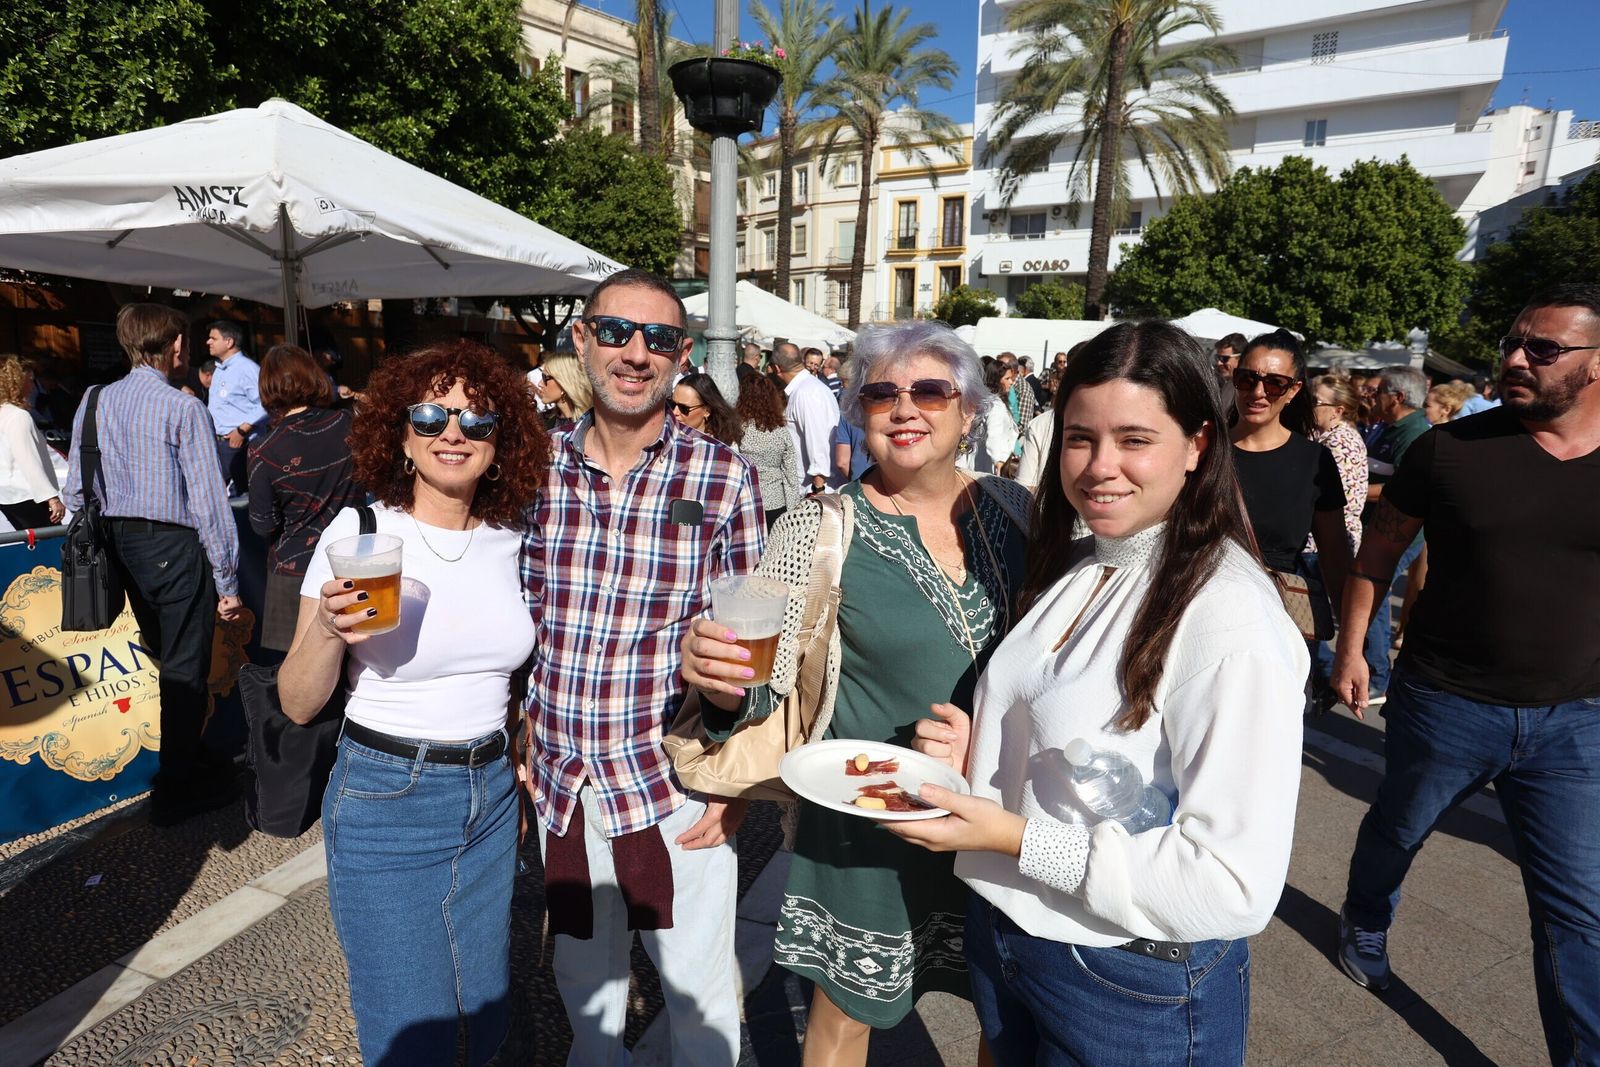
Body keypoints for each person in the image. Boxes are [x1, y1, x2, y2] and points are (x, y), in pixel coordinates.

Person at [890, 320, 1306, 1066]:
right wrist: (982, 748)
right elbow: (1087, 738)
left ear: (1199, 444)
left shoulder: (1231, 616)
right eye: (1080, 437)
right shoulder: (1088, 558)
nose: (1099, 466)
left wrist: (1011, 836)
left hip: (1127, 975)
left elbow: (1231, 881)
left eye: (1134, 439)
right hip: (1014, 931)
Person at [682, 320, 1033, 1066]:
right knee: (844, 1021)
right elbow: (762, 681)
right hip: (870, 819)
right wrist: (719, 692)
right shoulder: (821, 523)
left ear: (969, 410)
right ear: (858, 411)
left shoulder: (1017, 510)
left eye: (930, 390)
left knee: (1006, 1019)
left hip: (999, 810)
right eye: (881, 393)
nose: (905, 408)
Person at [1329, 284, 1600, 1066]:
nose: (1515, 358)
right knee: (1398, 829)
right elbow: (1380, 548)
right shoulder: (1450, 450)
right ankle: (1365, 916)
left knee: (1578, 914)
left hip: (1574, 721)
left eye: (1542, 349)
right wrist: (1353, 648)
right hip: (1446, 701)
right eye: (1514, 342)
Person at [521, 269, 766, 1066]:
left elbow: (759, 649)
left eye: (658, 338)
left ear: (682, 355)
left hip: (671, 789)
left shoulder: (724, 477)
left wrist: (737, 778)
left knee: (696, 999)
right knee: (584, 989)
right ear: (581, 341)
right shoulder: (533, 470)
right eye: (617, 332)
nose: (636, 353)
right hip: (563, 782)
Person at [280, 339, 545, 1067]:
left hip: (489, 794)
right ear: (399, 433)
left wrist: (516, 761)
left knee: (485, 998)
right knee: (408, 1019)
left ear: (502, 439)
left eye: (475, 419)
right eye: (430, 415)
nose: (452, 432)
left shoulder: (514, 538)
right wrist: (332, 631)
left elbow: (509, 678)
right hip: (385, 796)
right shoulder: (361, 533)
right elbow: (298, 702)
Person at [62, 304, 242, 823]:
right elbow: (209, 502)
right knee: (184, 667)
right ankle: (176, 785)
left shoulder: (94, 399)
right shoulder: (183, 408)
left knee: (169, 657)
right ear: (176, 347)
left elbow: (76, 488)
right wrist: (227, 580)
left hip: (119, 545)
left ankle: (187, 756)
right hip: (172, 544)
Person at [1229, 332, 1352, 711]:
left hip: (1273, 625)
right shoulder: (1202, 449)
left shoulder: (1315, 463)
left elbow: (1334, 555)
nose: (1258, 391)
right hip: (1194, 611)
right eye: (1248, 378)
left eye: (1274, 382)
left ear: (1294, 389)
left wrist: (1350, 645)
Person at [246, 344, 362, 653]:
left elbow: (262, 523)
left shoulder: (264, 448)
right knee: (360, 667)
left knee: (296, 675)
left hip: (295, 570)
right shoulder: (350, 425)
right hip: (353, 559)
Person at [1357, 366, 1430, 704]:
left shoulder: (1414, 434)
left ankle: (1378, 675)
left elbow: (1398, 487)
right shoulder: (1388, 428)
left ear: (1397, 397)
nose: (1374, 395)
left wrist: (1353, 489)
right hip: (1378, 530)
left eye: (1380, 390)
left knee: (1373, 596)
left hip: (1400, 536)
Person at [0, 355, 66, 529]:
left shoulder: (4, 413)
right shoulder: (17, 416)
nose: (32, 386)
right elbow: (28, 460)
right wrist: (51, 497)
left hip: (7, 495)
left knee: (31, 548)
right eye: (29, 381)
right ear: (16, 384)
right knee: (52, 546)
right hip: (28, 495)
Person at [772, 340, 841, 497]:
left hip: (813, 492)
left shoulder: (806, 393)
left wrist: (818, 489)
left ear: (777, 368)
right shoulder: (808, 388)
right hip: (811, 489)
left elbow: (818, 440)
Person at [736, 362, 801, 529]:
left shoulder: (738, 430)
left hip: (746, 501)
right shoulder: (781, 432)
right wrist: (793, 512)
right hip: (776, 503)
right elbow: (790, 474)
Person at [205, 320, 267, 493]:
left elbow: (266, 403)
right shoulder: (219, 370)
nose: (208, 342)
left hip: (240, 444)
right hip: (220, 444)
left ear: (229, 342)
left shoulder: (248, 369)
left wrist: (241, 430)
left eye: (213, 338)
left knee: (240, 498)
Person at [960, 359, 1019, 476]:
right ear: (997, 381)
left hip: (982, 465)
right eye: (1007, 379)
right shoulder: (995, 405)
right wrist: (999, 461)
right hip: (990, 468)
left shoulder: (988, 401)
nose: (1011, 382)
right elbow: (994, 434)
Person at [671, 371, 744, 448]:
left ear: (707, 411)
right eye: (672, 404)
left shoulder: (723, 448)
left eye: (683, 408)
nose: (674, 412)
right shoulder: (665, 437)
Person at [536, 351, 594, 430]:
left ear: (564, 382)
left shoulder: (592, 425)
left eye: (545, 377)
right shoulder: (542, 423)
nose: (540, 384)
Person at [1212, 331, 1246, 423]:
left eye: (1224, 359)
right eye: (1218, 358)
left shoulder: (1247, 389)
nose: (1219, 363)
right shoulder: (1228, 384)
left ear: (1241, 358)